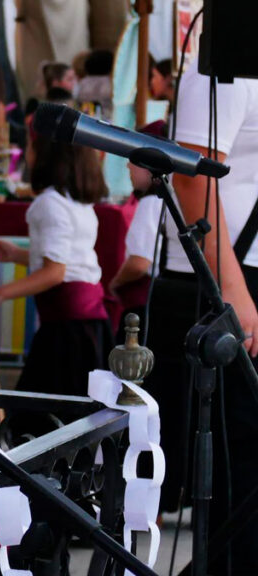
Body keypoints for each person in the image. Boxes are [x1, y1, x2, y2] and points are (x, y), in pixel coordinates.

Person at [152, 60, 258, 574]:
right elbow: (193, 179)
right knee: (243, 468)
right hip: (232, 280)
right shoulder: (224, 64)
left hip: (242, 278)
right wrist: (233, 293)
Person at [0, 138, 111, 428]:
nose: (28, 152)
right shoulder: (76, 201)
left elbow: (55, 272)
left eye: (32, 145)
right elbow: (67, 259)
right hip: (87, 322)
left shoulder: (50, 203)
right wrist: (18, 255)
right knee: (76, 410)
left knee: (44, 414)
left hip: (66, 326)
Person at [109, 121, 168, 341]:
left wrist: (115, 283)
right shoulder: (170, 202)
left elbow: (139, 263)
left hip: (144, 306)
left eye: (134, 160)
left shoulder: (150, 203)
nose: (128, 166)